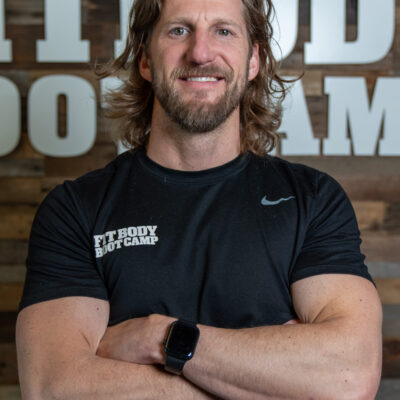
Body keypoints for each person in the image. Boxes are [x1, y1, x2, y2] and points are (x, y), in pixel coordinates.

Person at [16, 0, 382, 399]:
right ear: (145, 60)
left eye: (224, 31)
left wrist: (161, 337)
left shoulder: (312, 200)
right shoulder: (75, 210)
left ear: (253, 60)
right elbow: (54, 387)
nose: (201, 53)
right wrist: (271, 380)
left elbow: (348, 377)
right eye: (179, 31)